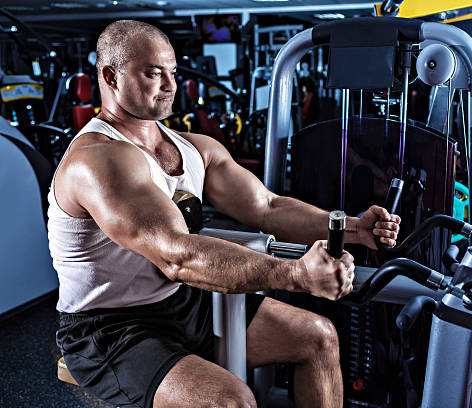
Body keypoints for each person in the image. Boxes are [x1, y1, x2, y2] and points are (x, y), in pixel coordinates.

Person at [49, 20, 401, 408]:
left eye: (172, 73)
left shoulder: (194, 148)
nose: (169, 85)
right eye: (153, 73)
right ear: (110, 76)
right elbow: (176, 255)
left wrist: (354, 227)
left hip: (181, 303)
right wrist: (298, 275)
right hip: (112, 328)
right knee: (231, 401)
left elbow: (267, 207)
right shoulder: (97, 160)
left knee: (318, 336)